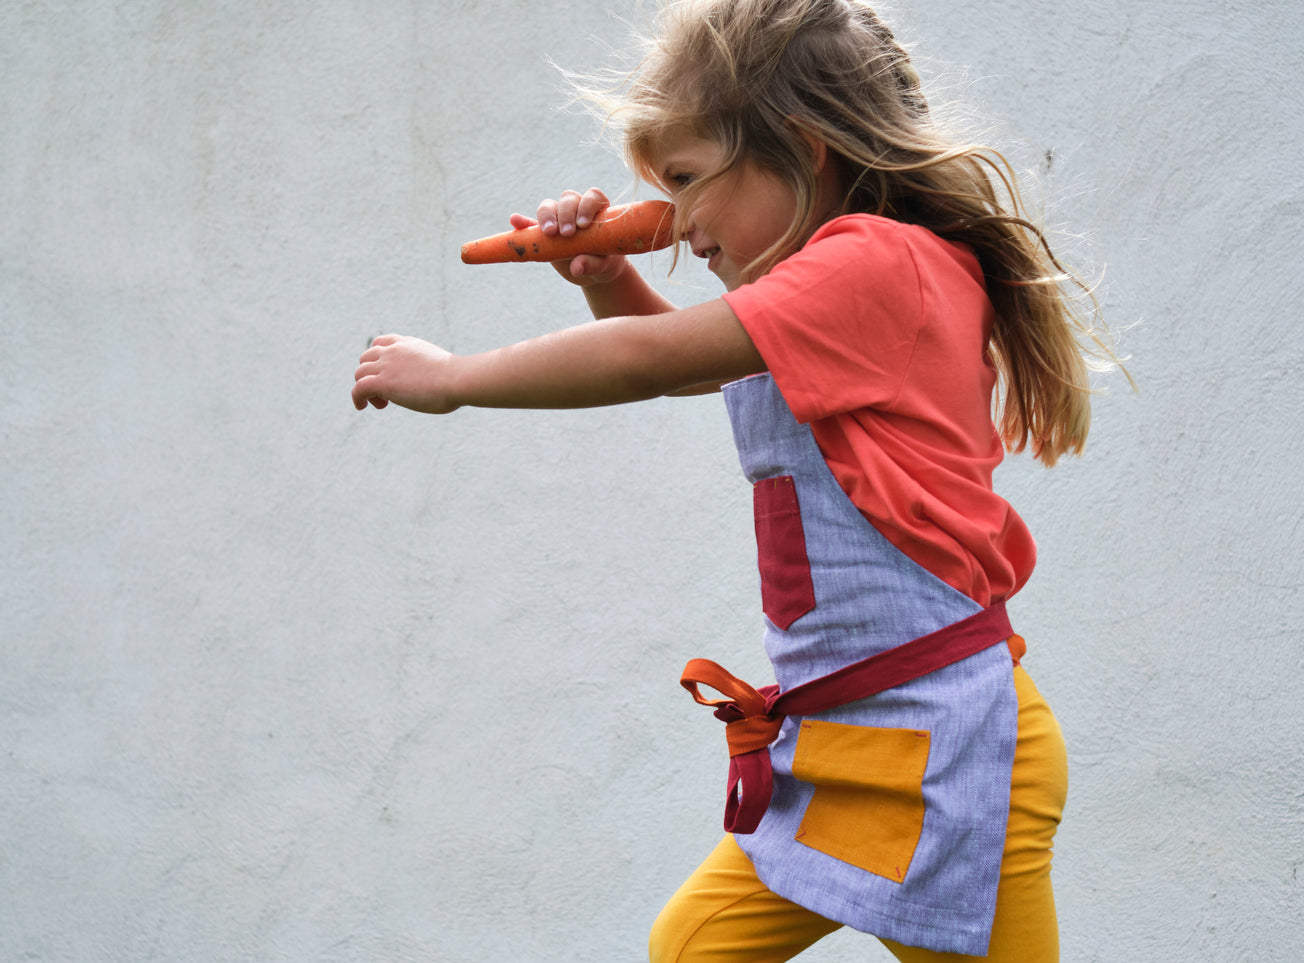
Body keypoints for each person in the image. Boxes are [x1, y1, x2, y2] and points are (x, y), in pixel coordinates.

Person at [351, 0, 1127, 958]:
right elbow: (690, 357)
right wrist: (603, 277)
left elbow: (655, 360)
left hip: (950, 749)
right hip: (847, 737)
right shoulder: (835, 291)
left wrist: (454, 378)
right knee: (690, 949)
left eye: (685, 180)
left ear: (801, 151)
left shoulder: (873, 265)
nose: (673, 222)